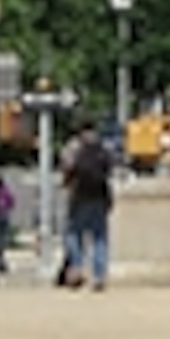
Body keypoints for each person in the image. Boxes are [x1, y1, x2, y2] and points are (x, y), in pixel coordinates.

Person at [57, 119, 117, 291]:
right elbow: (110, 169)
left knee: (73, 234)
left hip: (79, 197)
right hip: (99, 197)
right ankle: (99, 275)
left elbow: (67, 169)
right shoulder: (104, 148)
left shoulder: (73, 148)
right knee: (100, 237)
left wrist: (67, 183)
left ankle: (76, 268)